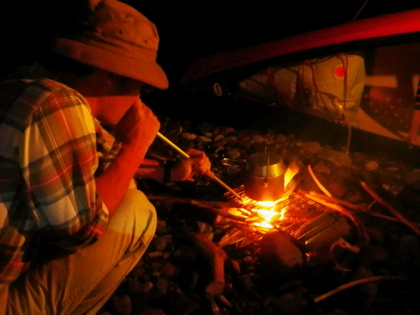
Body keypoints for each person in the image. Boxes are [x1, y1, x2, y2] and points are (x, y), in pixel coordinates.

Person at [0, 0, 211, 314]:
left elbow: (94, 164)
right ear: (112, 76)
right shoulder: (59, 106)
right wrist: (136, 144)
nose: (139, 97)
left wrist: (169, 172)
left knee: (126, 188)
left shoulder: (26, 86)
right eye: (140, 85)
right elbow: (80, 231)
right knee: (138, 212)